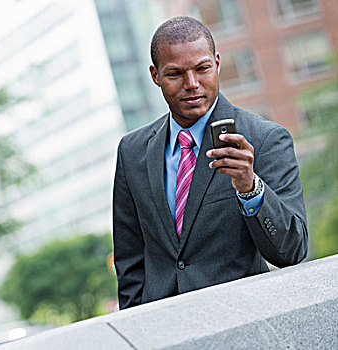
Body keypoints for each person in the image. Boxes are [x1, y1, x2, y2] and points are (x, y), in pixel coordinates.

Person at [112, 16, 308, 310]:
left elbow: (292, 250)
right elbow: (130, 259)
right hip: (163, 329)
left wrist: (250, 188)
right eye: (175, 74)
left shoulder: (265, 139)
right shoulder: (132, 151)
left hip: (240, 321)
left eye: (202, 69)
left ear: (217, 63)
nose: (192, 84)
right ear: (155, 76)